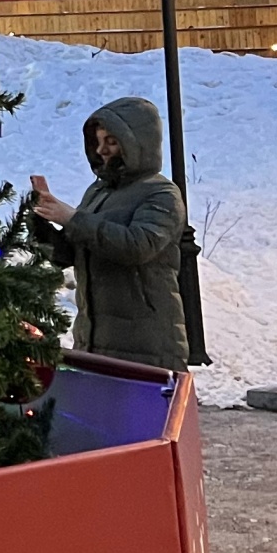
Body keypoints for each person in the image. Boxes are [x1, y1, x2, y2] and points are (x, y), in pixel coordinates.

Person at [29, 95, 188, 370]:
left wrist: (72, 218)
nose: (101, 150)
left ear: (136, 144)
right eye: (98, 142)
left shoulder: (161, 194)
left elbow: (137, 246)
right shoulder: (98, 191)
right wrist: (42, 223)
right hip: (94, 341)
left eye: (111, 142)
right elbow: (71, 252)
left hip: (147, 347)